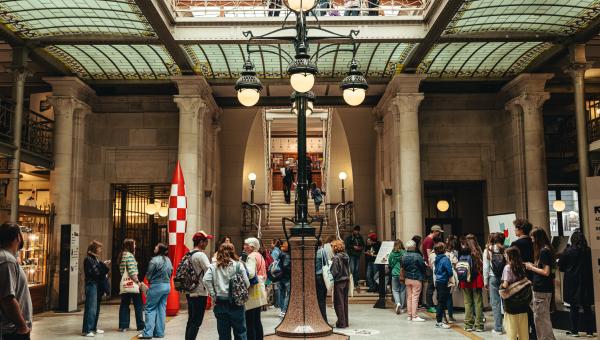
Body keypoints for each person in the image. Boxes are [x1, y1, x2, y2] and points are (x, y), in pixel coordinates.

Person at [203, 243, 250, 340]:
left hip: (220, 303)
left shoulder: (214, 266)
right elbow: (247, 283)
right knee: (240, 332)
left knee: (223, 335)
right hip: (236, 304)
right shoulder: (238, 265)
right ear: (233, 252)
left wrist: (213, 294)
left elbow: (206, 280)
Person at [559, 229, 594, 337]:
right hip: (586, 281)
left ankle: (574, 331)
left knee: (573, 307)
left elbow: (561, 266)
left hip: (572, 282)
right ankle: (590, 331)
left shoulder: (568, 250)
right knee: (587, 306)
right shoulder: (588, 250)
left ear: (573, 239)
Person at [0, 223, 32, 340]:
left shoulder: (8, 258)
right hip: (13, 331)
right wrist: (22, 326)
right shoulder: (7, 260)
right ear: (18, 237)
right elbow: (7, 298)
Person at [526, 227, 556, 340]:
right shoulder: (548, 249)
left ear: (537, 238)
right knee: (543, 318)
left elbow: (546, 272)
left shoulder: (544, 251)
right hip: (545, 289)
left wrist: (531, 268)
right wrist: (533, 265)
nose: (532, 240)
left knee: (541, 320)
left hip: (541, 289)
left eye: (533, 237)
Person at [139, 243, 173, 339]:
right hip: (167, 286)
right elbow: (171, 272)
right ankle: (159, 332)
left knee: (150, 308)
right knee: (161, 309)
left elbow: (148, 275)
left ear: (159, 249)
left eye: (156, 247)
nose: (154, 247)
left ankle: (148, 333)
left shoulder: (154, 260)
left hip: (156, 286)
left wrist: (150, 281)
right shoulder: (168, 260)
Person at [511, 218, 536, 340]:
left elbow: (512, 264)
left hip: (519, 280)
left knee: (522, 308)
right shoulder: (534, 243)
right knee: (532, 307)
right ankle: (534, 333)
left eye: (516, 228)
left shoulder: (515, 245)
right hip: (533, 277)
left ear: (520, 230)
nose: (515, 230)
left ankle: (522, 334)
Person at [185, 231, 213, 340]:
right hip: (199, 291)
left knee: (191, 319)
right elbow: (209, 270)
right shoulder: (201, 255)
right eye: (206, 241)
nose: (207, 243)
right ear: (201, 242)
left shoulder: (189, 254)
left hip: (190, 291)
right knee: (197, 321)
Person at [501, 246, 530, 340]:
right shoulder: (522, 266)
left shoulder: (507, 267)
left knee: (511, 330)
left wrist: (501, 288)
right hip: (523, 304)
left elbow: (505, 284)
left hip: (511, 304)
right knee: (524, 331)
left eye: (506, 254)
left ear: (510, 256)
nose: (505, 256)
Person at [82, 240, 110, 337]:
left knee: (96, 308)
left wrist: (103, 265)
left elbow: (99, 271)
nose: (100, 250)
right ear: (94, 249)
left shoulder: (95, 259)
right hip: (91, 285)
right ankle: (87, 330)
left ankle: (93, 328)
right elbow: (96, 273)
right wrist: (103, 266)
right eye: (99, 248)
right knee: (91, 308)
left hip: (97, 285)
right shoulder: (88, 259)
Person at [243, 238, 267, 340]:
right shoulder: (259, 255)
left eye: (246, 245)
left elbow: (251, 274)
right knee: (257, 319)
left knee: (250, 321)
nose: (244, 247)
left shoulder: (251, 257)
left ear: (251, 247)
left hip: (253, 291)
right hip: (260, 289)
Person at [118, 238, 145, 332]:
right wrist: (138, 282)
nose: (135, 246)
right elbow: (132, 272)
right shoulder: (129, 255)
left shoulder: (122, 255)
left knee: (124, 305)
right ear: (130, 246)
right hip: (132, 284)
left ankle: (123, 325)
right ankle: (140, 325)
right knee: (138, 305)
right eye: (134, 244)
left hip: (125, 284)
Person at [459, 235, 484, 332]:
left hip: (465, 279)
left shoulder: (462, 253)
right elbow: (481, 267)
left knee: (467, 303)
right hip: (476, 279)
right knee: (478, 303)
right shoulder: (477, 252)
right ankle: (479, 326)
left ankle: (468, 325)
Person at [483, 232, 505, 335]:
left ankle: (498, 328)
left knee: (495, 304)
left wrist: (485, 281)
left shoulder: (488, 250)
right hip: (505, 279)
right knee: (506, 303)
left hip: (493, 278)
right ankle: (510, 327)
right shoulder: (505, 249)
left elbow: (486, 267)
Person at [401, 239, 426, 322]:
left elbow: (403, 267)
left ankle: (409, 315)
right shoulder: (417, 256)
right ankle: (414, 316)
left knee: (409, 297)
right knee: (415, 297)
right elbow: (422, 267)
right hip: (416, 278)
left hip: (407, 278)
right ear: (414, 247)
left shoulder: (404, 256)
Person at [423, 225, 443, 313]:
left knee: (430, 286)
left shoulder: (427, 239)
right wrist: (432, 266)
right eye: (438, 232)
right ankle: (429, 306)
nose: (439, 234)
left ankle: (429, 305)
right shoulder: (429, 240)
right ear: (434, 231)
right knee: (431, 286)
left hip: (428, 265)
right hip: (429, 266)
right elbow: (428, 254)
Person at [330, 239, 350, 329]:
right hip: (346, 281)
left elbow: (334, 272)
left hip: (339, 282)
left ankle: (341, 323)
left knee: (338, 303)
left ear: (335, 248)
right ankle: (345, 322)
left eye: (332, 247)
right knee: (344, 302)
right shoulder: (346, 256)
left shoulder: (336, 258)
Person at [433, 242, 453, 329]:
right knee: (442, 302)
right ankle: (439, 321)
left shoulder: (436, 259)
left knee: (439, 301)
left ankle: (439, 320)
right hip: (444, 281)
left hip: (438, 281)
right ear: (443, 250)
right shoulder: (445, 259)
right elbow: (450, 271)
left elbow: (435, 271)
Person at [388, 239, 406, 314]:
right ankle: (401, 307)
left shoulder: (392, 254)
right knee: (402, 290)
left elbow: (390, 264)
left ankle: (397, 303)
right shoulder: (404, 252)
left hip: (395, 273)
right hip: (403, 274)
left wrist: (394, 266)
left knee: (395, 290)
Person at [444, 235, 459, 323]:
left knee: (441, 297)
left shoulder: (441, 251)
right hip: (450, 275)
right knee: (449, 296)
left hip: (441, 276)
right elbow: (456, 264)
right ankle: (450, 315)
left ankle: (443, 317)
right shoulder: (454, 253)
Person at [315, 240, 329, 321]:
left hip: (315, 277)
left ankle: (319, 318)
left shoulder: (313, 252)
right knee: (322, 299)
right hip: (322, 276)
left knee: (318, 299)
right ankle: (324, 319)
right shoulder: (322, 251)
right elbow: (326, 263)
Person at [278, 241, 292, 318]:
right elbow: (286, 266)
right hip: (287, 277)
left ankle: (281, 310)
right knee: (288, 294)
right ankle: (284, 310)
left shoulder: (280, 254)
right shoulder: (287, 255)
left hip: (280, 276)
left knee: (282, 294)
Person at [270, 239, 282, 308]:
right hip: (279, 270)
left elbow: (272, 262)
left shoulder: (275, 251)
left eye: (271, 243)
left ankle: (277, 303)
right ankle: (278, 303)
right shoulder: (279, 251)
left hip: (275, 270)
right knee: (278, 287)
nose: (270, 244)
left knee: (276, 288)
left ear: (274, 244)